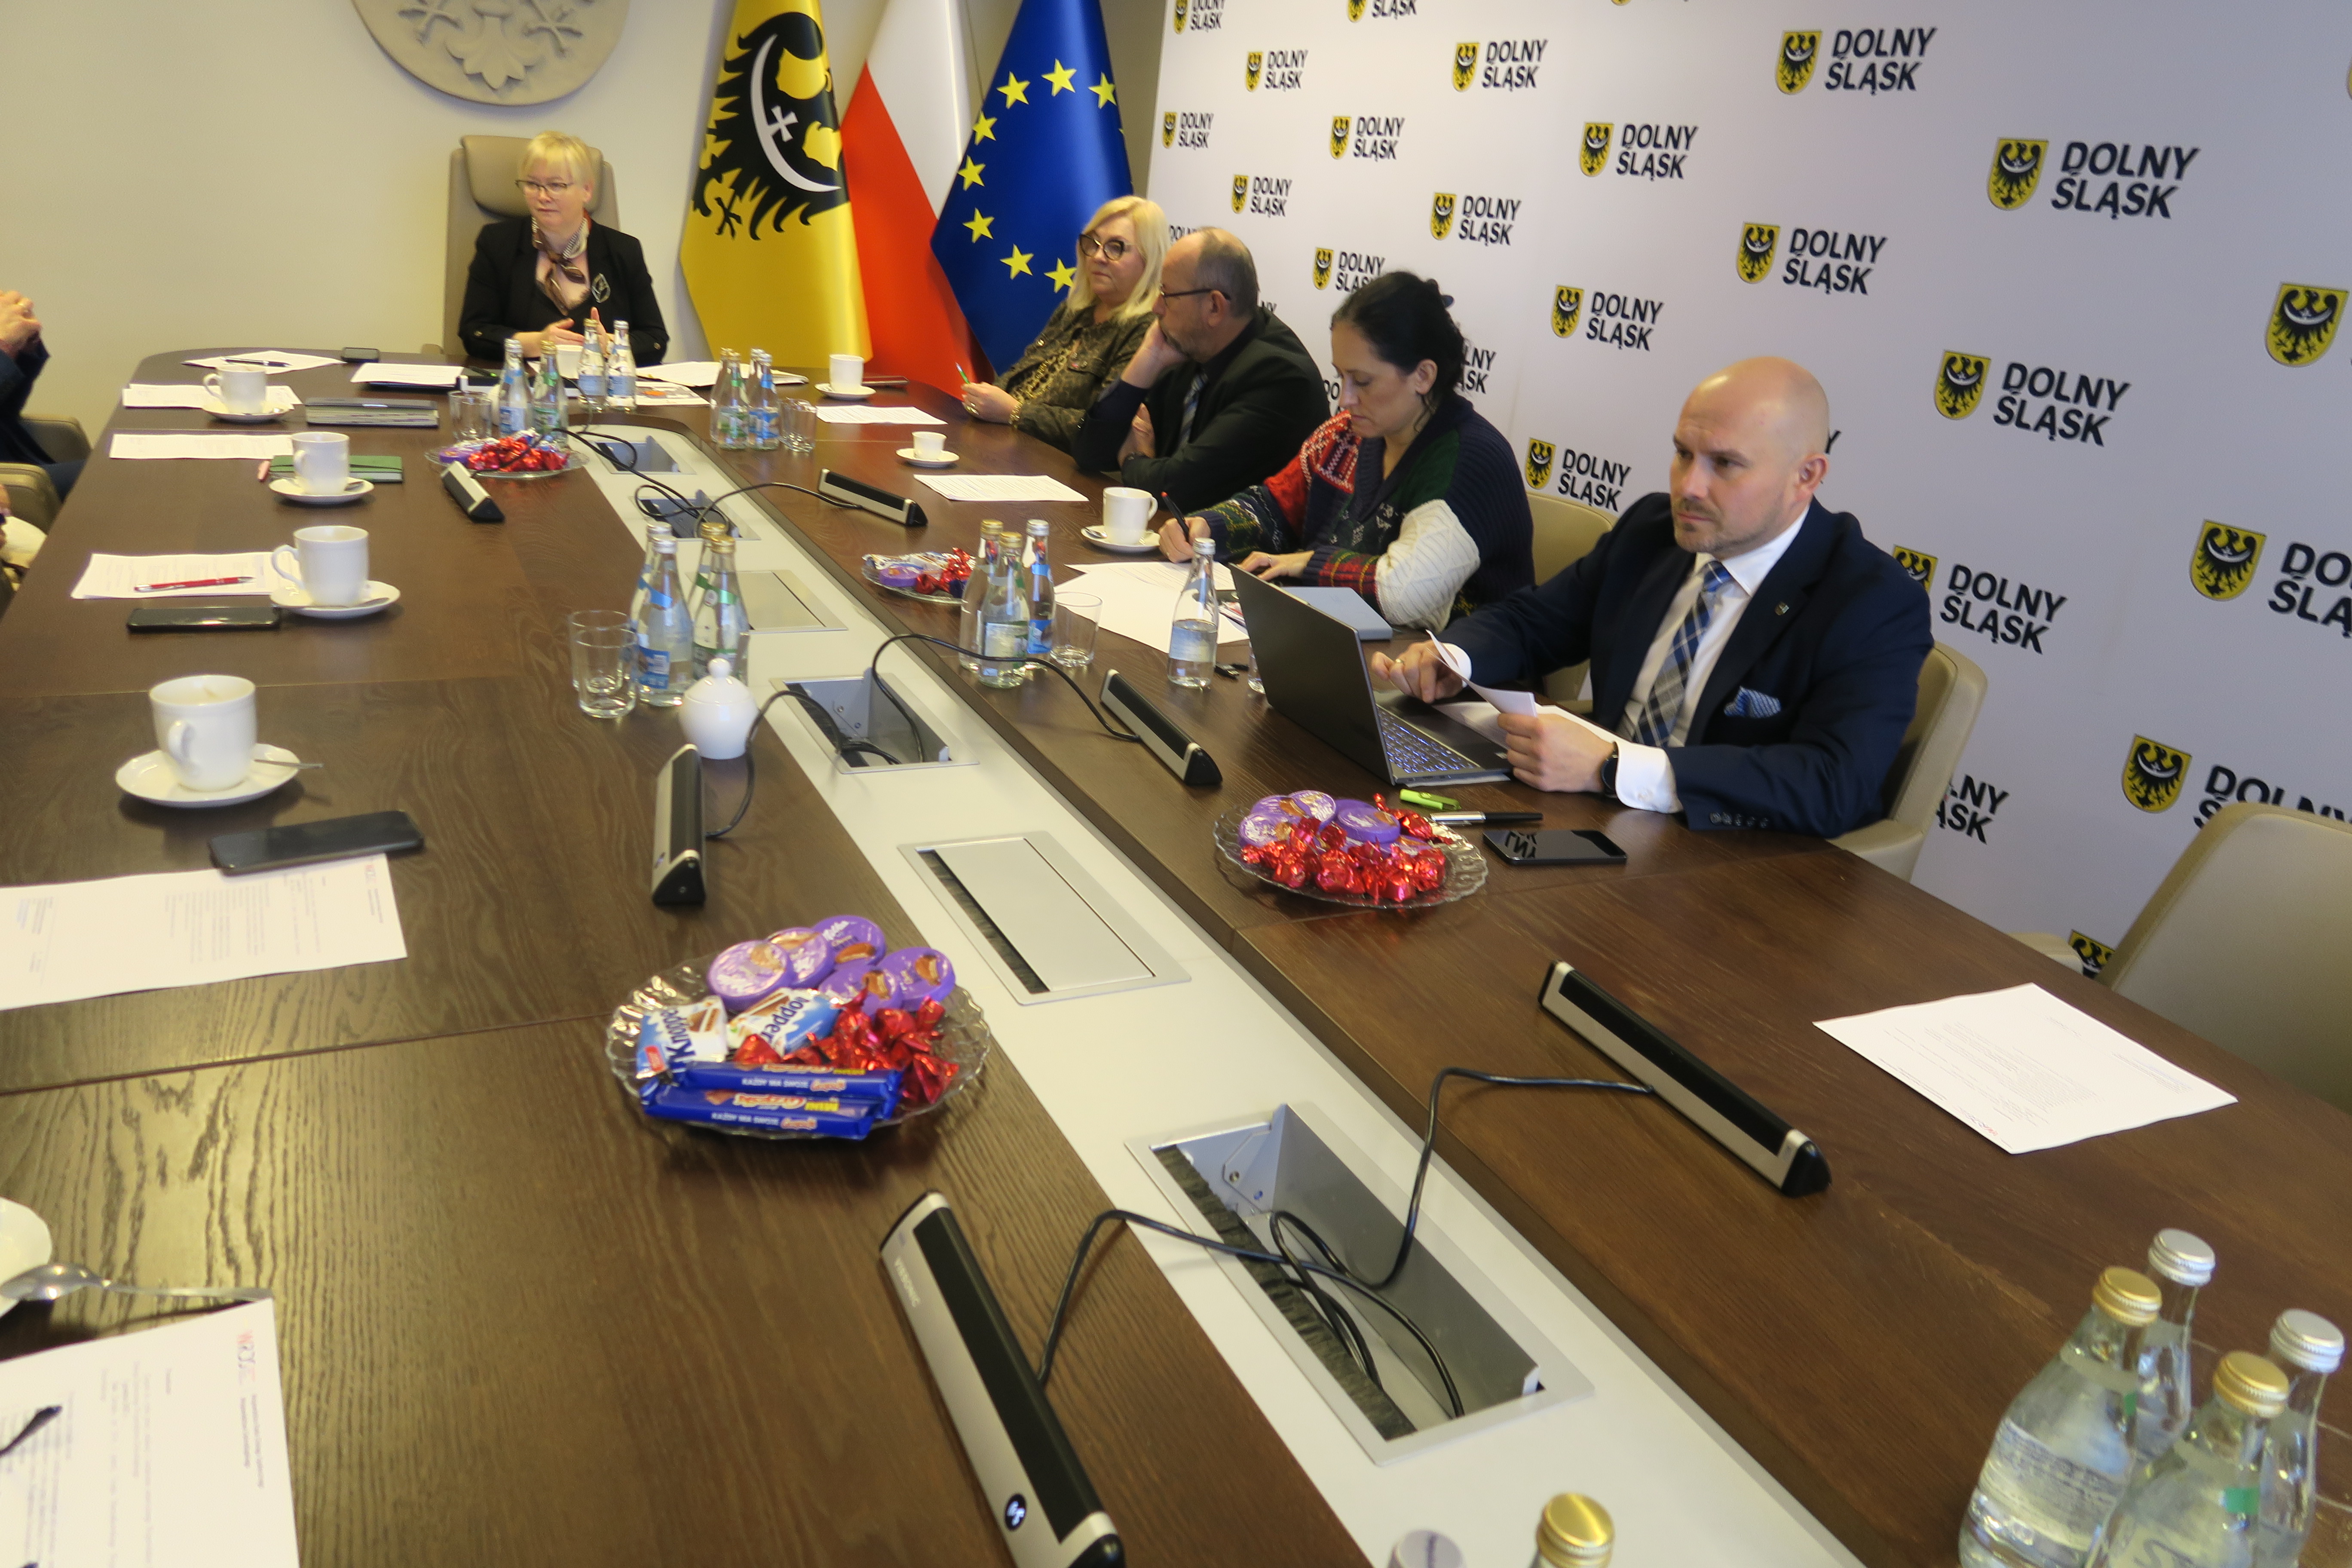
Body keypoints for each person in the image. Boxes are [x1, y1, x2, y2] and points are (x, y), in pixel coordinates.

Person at [1375, 358, 1930, 838]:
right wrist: (1455, 658)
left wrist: (1615, 767)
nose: (1689, 487)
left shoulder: (1872, 600)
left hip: (1728, 862)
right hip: (1589, 823)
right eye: (1683, 454)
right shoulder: (1653, 530)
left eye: (1725, 464)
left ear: (1806, 476)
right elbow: (1536, 620)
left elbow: (1834, 783)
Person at [1156, 271, 1531, 630]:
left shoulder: (1472, 461)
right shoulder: (1345, 435)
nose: (1345, 398)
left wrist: (1310, 563)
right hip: (1344, 645)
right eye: (1341, 376)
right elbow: (1273, 509)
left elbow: (1404, 594)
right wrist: (1209, 527)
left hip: (1451, 669)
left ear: (1423, 376)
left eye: (1363, 381)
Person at [1071, 229, 1326, 511]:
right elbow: (1090, 452)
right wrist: (1148, 358)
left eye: (1167, 295)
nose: (1156, 307)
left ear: (1214, 307)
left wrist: (1134, 459)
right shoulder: (1185, 346)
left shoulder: (1281, 379)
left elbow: (1177, 490)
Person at [959, 196, 1167, 453]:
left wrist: (1016, 413)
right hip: (1010, 446)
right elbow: (1022, 375)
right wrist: (986, 400)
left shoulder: (1147, 330)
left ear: (1149, 259)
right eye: (1094, 243)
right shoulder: (1074, 311)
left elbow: (1103, 428)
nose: (1098, 257)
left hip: (1063, 466)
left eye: (1116, 248)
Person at [458, 131, 668, 364]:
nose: (542, 196)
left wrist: (611, 344)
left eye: (556, 185)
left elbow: (655, 339)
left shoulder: (624, 251)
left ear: (587, 190)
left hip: (599, 383)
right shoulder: (497, 243)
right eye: (532, 184)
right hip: (522, 382)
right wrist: (536, 343)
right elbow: (474, 332)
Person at [0, 289, 79, 501]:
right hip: (13, 483)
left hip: (25, 466)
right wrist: (3, 346)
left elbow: (6, 408)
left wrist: (22, 344)